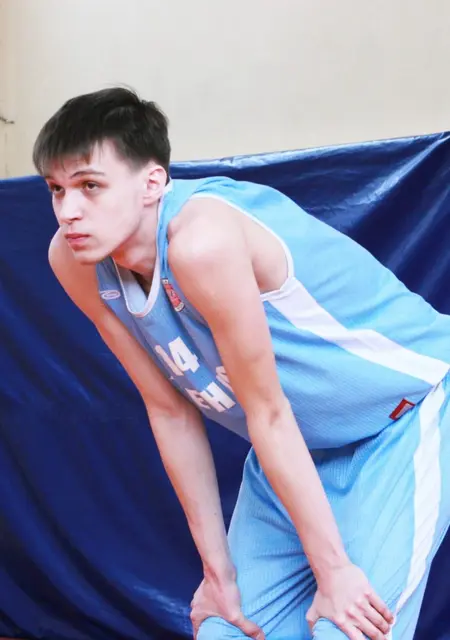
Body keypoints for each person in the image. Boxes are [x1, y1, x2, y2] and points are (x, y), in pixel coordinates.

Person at [32, 87, 450, 640]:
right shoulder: (74, 260)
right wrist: (217, 573)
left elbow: (269, 412)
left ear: (152, 183)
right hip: (302, 446)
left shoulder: (201, 241)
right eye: (56, 189)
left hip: (408, 415)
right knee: (226, 627)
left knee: (349, 627)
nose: (69, 211)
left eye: (90, 186)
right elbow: (169, 410)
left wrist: (334, 572)